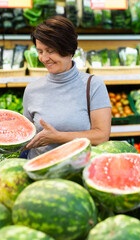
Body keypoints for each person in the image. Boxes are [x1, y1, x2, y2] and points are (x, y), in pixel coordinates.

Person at [22, 15, 112, 159]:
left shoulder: (93, 85)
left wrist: (58, 137)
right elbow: (26, 137)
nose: (44, 58)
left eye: (50, 51)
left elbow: (101, 136)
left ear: (69, 49)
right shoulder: (32, 89)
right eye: (40, 51)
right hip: (39, 172)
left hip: (78, 170)